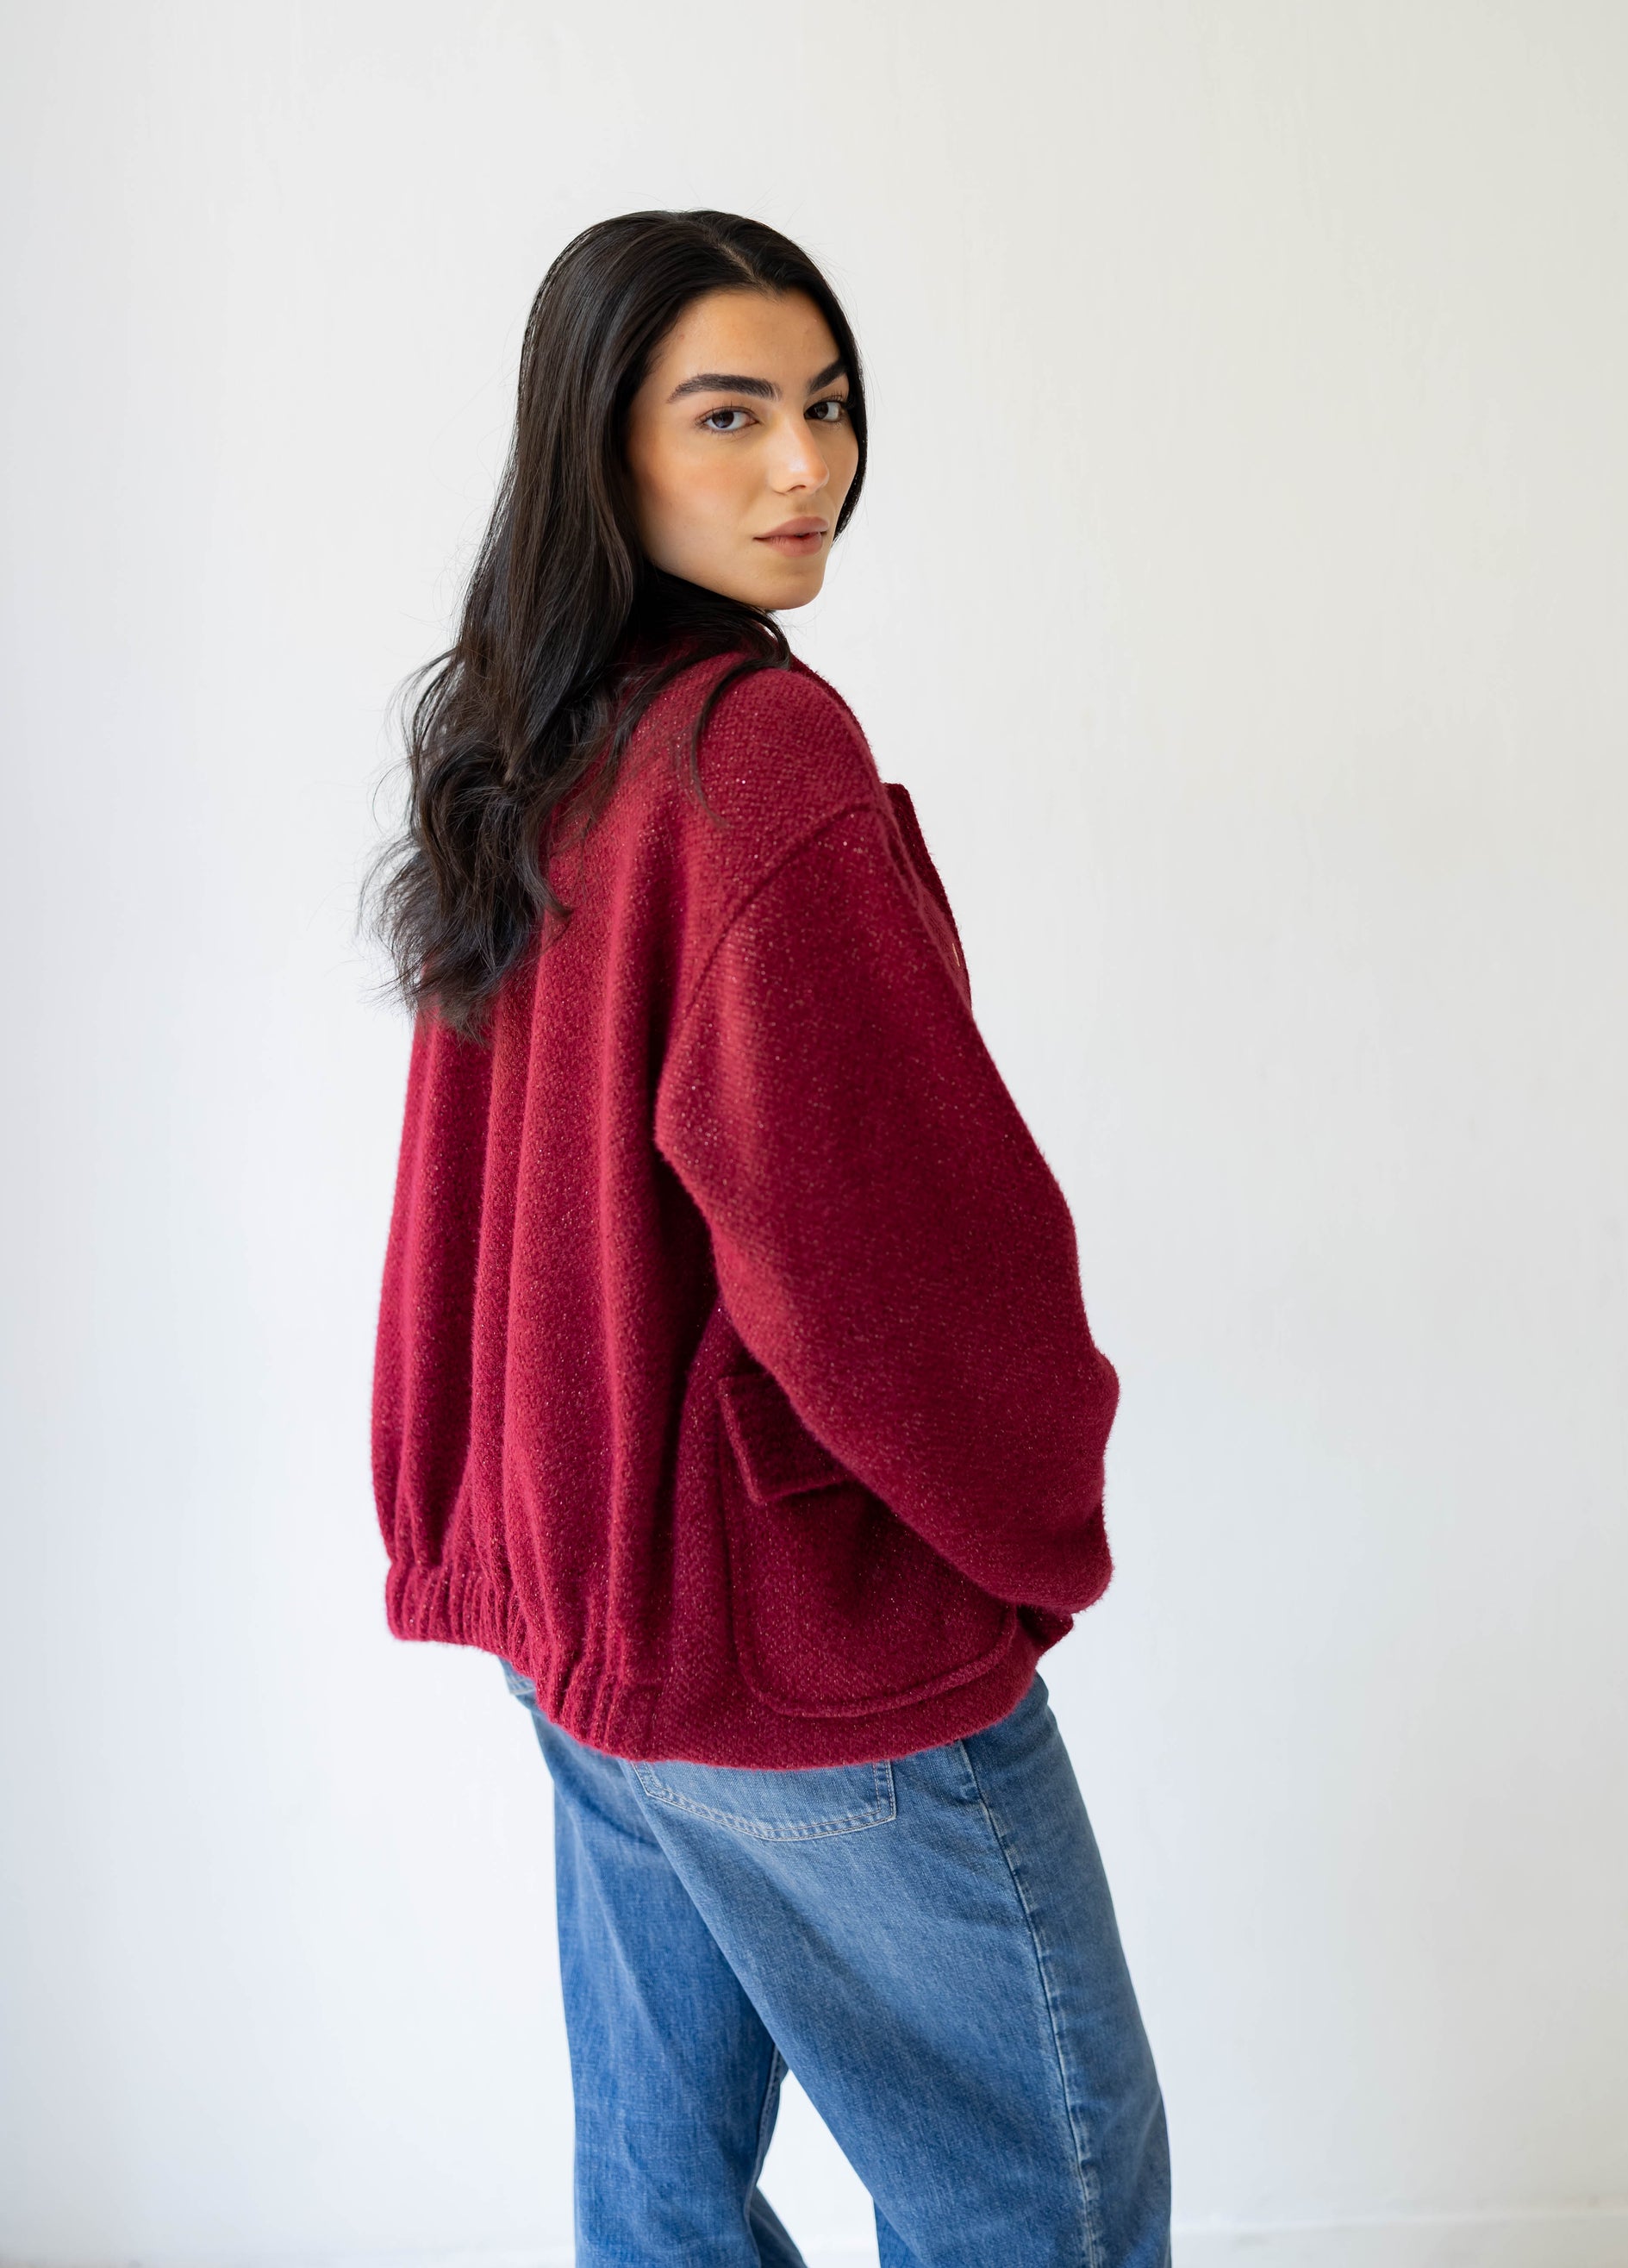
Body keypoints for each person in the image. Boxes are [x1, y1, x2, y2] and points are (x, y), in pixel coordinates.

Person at [364, 209, 1171, 2267]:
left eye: (825, 406)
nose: (804, 466)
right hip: (793, 1636)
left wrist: (490, 1525)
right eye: (726, 415)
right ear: (600, 447)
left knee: (659, 2197)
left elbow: (475, 1207)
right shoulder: (752, 749)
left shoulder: (531, 731)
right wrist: (1033, 1511)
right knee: (1045, 2201)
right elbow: (888, 1248)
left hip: (589, 1618)